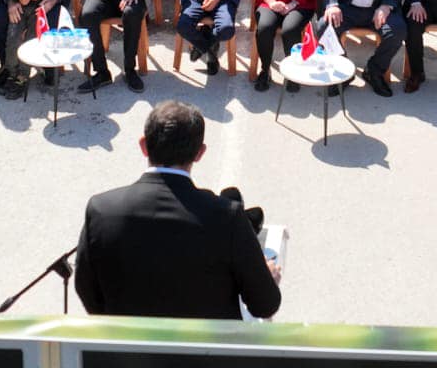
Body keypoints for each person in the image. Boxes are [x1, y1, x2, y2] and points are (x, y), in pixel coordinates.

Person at [73, 100, 281, 320]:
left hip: (127, 351)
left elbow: (86, 289)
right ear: (199, 153)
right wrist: (269, 276)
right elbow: (265, 305)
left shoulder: (101, 209)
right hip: (204, 353)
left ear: (144, 146)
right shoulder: (227, 216)